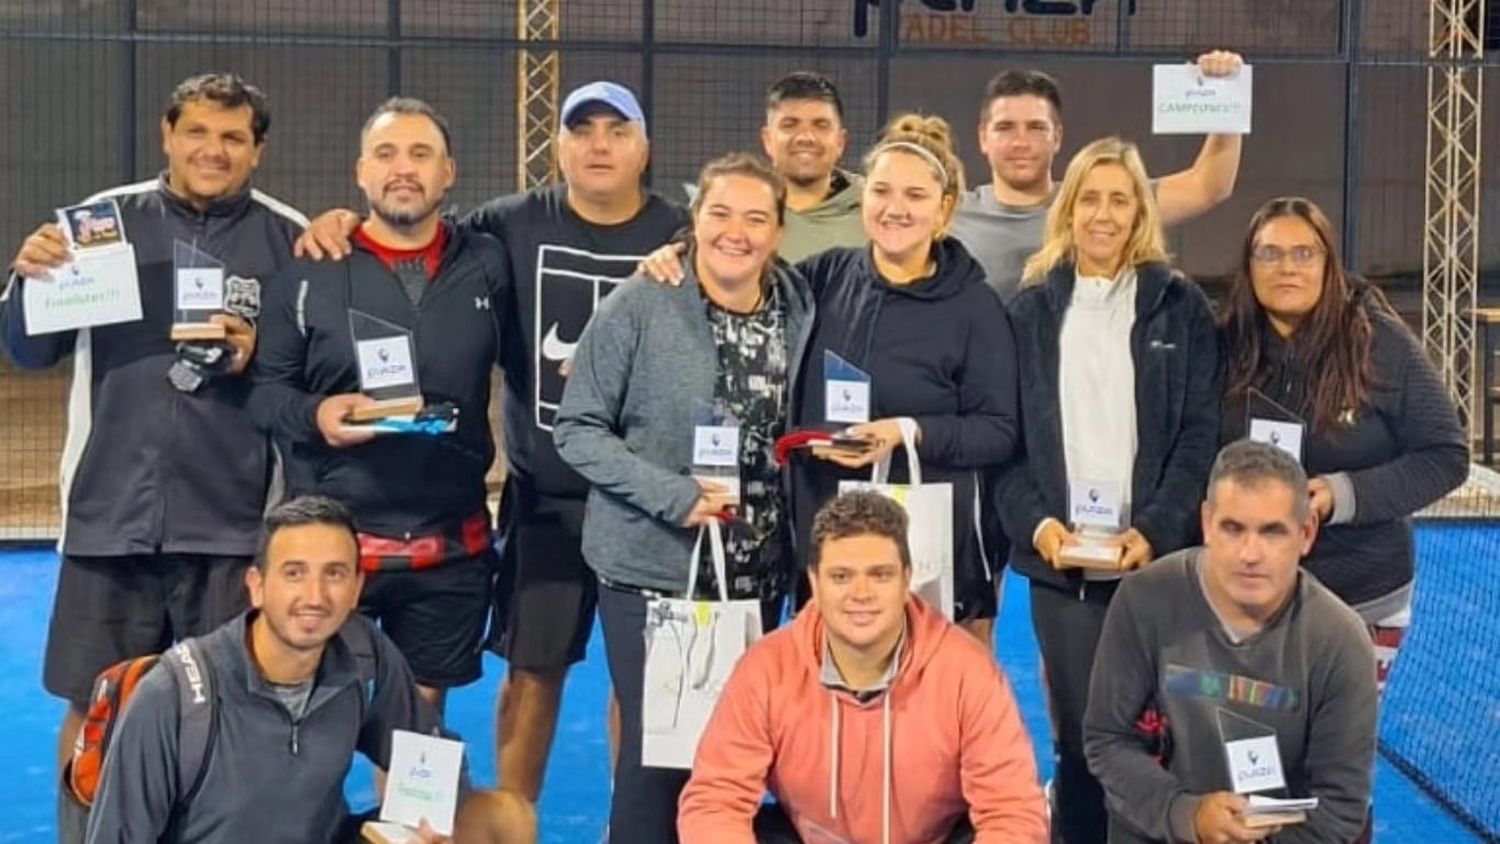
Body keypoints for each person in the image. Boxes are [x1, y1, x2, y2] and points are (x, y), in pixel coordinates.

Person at [293, 80, 688, 811]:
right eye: (583, 130)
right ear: (559, 147)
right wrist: (343, 222)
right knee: (533, 672)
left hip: (651, 504)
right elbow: (411, 230)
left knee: (647, 683)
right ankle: (515, 821)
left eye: (617, 131)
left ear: (645, 149)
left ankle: (635, 824)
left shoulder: (684, 231)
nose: (599, 145)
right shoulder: (505, 226)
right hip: (547, 503)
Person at [0, 72, 306, 775]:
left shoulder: (291, 243)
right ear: (167, 135)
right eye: (196, 131)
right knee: (95, 711)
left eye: (233, 137)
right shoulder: (96, 226)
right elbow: (28, 350)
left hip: (232, 527)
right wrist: (28, 282)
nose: (212, 150)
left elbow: (309, 386)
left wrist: (258, 360)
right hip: (110, 518)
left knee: (232, 714)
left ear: (257, 150)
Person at [641, 115, 1020, 644]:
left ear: (945, 209)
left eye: (915, 195)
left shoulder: (976, 306)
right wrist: (678, 253)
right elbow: (736, 272)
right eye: (882, 190)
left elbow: (999, 430)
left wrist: (904, 431)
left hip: (932, 546)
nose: (895, 208)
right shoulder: (821, 277)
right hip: (830, 536)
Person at [555, 152, 814, 844]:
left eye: (757, 217)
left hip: (756, 576)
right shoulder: (639, 303)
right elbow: (575, 428)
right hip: (654, 575)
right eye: (720, 213)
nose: (737, 231)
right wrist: (671, 496)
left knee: (731, 760)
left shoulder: (799, 303)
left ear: (779, 232)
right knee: (659, 756)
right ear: (692, 224)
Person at [248, 97, 509, 715]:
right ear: (361, 172)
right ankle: (307, 816)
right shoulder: (308, 268)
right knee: (306, 714)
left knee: (421, 721)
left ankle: (405, 815)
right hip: (329, 548)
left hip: (450, 548)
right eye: (386, 154)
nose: (403, 169)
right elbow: (262, 394)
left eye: (422, 154)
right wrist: (316, 416)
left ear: (450, 173)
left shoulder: (490, 264)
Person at [994, 136, 1222, 843]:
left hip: (1154, 565)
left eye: (1119, 199)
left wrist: (1151, 531)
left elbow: (1197, 435)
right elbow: (1010, 442)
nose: (1103, 213)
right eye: (1089, 197)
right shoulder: (1028, 309)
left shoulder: (1181, 307)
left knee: (1168, 735)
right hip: (1062, 573)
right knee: (1084, 741)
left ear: (1140, 212)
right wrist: (1040, 528)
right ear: (1068, 208)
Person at [83, 496, 485, 843]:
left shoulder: (365, 655)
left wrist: (427, 826)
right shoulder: (170, 697)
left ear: (357, 588)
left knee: (500, 818)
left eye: (335, 574)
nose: (315, 596)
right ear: (256, 586)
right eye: (294, 573)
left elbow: (434, 760)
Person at [678, 490, 1048, 844]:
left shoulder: (968, 671)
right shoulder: (765, 669)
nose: (861, 594)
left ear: (906, 580)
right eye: (841, 576)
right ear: (814, 583)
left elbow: (1013, 810)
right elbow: (715, 800)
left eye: (880, 575)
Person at [1218, 196, 1467, 696]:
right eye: (1269, 253)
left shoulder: (1381, 344)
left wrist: (1341, 495)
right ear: (1248, 265)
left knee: (1337, 757)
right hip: (1248, 601)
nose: (1287, 267)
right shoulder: (1223, 345)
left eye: (1304, 253)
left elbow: (1446, 455)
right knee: (1252, 744)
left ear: (1329, 263)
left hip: (1363, 599)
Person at [1084, 440, 1378, 844]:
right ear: (1207, 523)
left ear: (1307, 533)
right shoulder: (1143, 599)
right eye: (1233, 528)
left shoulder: (1342, 642)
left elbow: (1340, 808)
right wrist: (1189, 816)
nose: (1250, 553)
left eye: (1272, 532)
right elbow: (1107, 741)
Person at [951, 51, 1245, 303]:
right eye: (1005, 128)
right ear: (982, 138)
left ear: (1057, 137)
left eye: (1036, 128)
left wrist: (1227, 91)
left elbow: (1209, 186)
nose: (1021, 142)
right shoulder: (948, 214)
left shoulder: (1095, 205)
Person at [759, 71, 865, 261]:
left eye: (820, 125)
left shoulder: (877, 212)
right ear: (767, 140)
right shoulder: (737, 210)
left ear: (841, 142)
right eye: (790, 125)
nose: (805, 137)